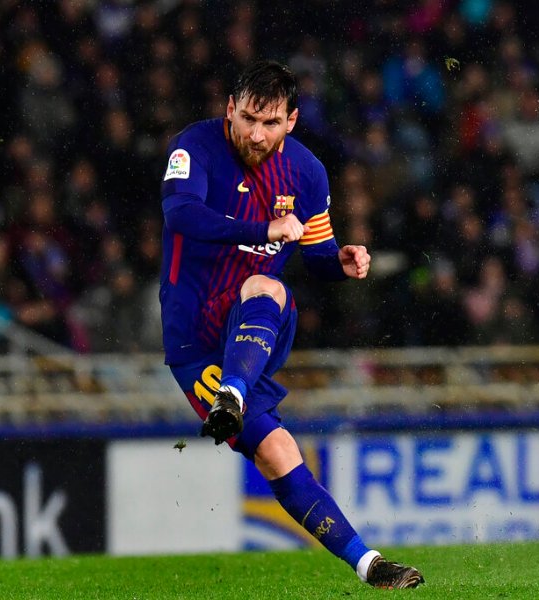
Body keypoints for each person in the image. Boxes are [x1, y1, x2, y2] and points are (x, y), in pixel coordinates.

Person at [159, 60, 424, 589]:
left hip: (253, 324)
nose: (256, 134)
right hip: (193, 339)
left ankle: (232, 395)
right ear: (229, 109)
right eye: (248, 118)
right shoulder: (194, 147)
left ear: (292, 121)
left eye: (270, 123)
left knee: (267, 285)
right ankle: (370, 565)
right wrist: (263, 225)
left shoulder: (307, 174)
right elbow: (180, 215)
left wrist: (341, 262)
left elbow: (318, 252)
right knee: (280, 451)